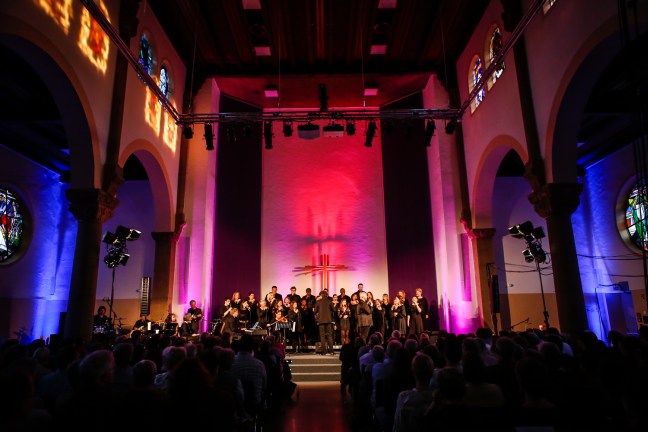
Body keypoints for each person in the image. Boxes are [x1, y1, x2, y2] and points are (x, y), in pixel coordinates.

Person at [314, 289, 335, 355]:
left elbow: (315, 312)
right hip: (328, 320)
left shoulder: (318, 302)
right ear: (326, 295)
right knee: (329, 336)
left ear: (321, 295)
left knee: (322, 336)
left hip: (321, 321)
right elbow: (333, 310)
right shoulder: (329, 301)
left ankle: (324, 352)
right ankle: (331, 351)